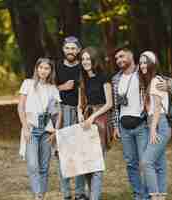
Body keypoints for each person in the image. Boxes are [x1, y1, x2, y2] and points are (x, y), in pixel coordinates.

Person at [111, 47, 172, 200]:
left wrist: (169, 86)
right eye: (116, 58)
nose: (119, 60)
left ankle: (150, 195)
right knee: (131, 163)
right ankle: (138, 194)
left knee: (146, 162)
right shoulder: (116, 79)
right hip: (124, 127)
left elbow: (169, 82)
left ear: (130, 56)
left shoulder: (142, 74)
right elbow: (116, 105)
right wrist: (115, 125)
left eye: (122, 56)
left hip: (143, 125)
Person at [18, 58, 62, 200]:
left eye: (47, 68)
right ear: (37, 69)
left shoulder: (53, 88)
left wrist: (56, 130)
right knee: (32, 164)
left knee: (44, 166)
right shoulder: (28, 84)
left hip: (46, 130)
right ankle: (38, 195)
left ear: (50, 71)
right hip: (31, 128)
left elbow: (58, 111)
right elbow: (20, 107)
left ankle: (40, 196)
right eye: (41, 68)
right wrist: (25, 127)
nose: (43, 71)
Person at [55, 36, 88, 200]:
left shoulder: (83, 67)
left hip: (80, 113)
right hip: (61, 112)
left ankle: (81, 192)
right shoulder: (57, 67)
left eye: (73, 48)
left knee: (80, 152)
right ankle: (66, 193)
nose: (70, 51)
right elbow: (45, 88)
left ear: (78, 50)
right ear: (63, 49)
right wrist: (62, 87)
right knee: (63, 153)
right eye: (67, 48)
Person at [78, 46, 113, 200]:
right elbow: (81, 103)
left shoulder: (103, 77)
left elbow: (109, 103)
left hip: (100, 120)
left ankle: (94, 197)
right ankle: (88, 194)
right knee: (86, 162)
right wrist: (80, 113)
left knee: (97, 163)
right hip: (86, 119)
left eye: (88, 58)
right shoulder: (83, 78)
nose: (85, 61)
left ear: (94, 59)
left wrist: (93, 117)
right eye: (83, 59)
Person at [139, 51, 171, 200]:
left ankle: (154, 196)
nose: (142, 65)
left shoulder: (155, 81)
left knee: (146, 162)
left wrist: (152, 130)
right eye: (141, 62)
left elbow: (157, 107)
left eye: (145, 62)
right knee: (160, 164)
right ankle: (161, 196)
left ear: (152, 64)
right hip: (157, 123)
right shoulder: (151, 81)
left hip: (159, 124)